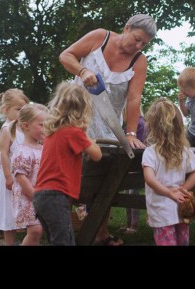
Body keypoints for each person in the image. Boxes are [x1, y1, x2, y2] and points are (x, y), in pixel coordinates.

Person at [59, 13, 156, 246]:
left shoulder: (139, 61)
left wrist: (131, 133)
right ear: (126, 27)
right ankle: (59, 230)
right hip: (74, 119)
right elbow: (66, 55)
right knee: (65, 177)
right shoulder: (99, 37)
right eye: (136, 38)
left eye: (144, 43)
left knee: (104, 182)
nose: (138, 45)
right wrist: (82, 72)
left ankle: (101, 233)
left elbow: (134, 99)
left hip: (107, 128)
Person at [33, 82, 102, 246]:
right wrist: (88, 138)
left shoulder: (53, 132)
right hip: (56, 196)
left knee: (56, 240)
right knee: (64, 242)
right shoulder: (74, 132)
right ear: (83, 110)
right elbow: (97, 155)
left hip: (42, 196)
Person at [141, 98, 195, 246]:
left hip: (161, 211)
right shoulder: (184, 151)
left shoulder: (150, 152)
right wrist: (183, 190)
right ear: (179, 127)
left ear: (153, 126)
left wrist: (170, 193)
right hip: (181, 208)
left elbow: (149, 179)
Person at [8, 103, 48, 246]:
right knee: (35, 230)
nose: (46, 129)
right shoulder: (22, 151)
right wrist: (35, 196)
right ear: (26, 126)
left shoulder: (43, 148)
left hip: (40, 195)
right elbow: (21, 177)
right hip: (27, 197)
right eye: (41, 125)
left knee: (39, 230)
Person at [0, 88, 30, 246]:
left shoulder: (23, 128)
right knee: (9, 210)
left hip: (23, 176)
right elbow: (3, 153)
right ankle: (10, 243)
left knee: (24, 208)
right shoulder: (7, 129)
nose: (21, 112)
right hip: (11, 177)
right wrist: (8, 175)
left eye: (23, 109)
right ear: (5, 109)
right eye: (18, 109)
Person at [119, 106, 147, 235]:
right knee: (128, 193)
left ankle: (134, 224)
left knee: (132, 195)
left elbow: (137, 146)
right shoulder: (134, 125)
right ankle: (129, 223)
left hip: (136, 165)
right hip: (131, 166)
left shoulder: (139, 125)